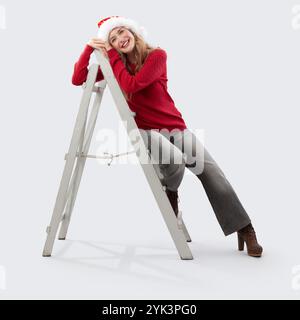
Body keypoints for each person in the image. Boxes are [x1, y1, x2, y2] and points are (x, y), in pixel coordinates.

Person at [71, 16, 263, 257]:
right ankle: (171, 191)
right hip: (144, 130)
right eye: (112, 38)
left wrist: (110, 54)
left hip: (174, 126)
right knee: (173, 161)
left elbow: (133, 84)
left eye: (122, 31)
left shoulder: (157, 56)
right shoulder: (114, 65)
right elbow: (77, 79)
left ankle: (244, 228)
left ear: (133, 32)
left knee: (210, 170)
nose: (120, 38)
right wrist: (90, 46)